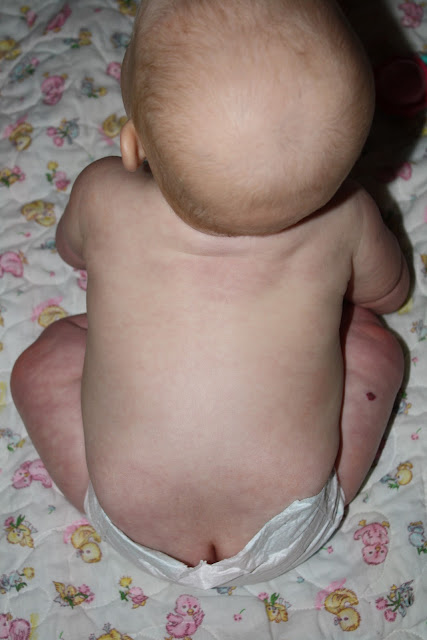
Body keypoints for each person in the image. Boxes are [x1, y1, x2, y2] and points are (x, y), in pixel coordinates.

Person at [11, 0, 409, 589]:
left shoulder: (101, 192)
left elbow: (73, 254)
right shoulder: (347, 215)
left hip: (133, 527)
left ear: (133, 145)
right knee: (376, 345)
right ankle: (333, 489)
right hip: (292, 527)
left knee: (40, 367)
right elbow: (390, 293)